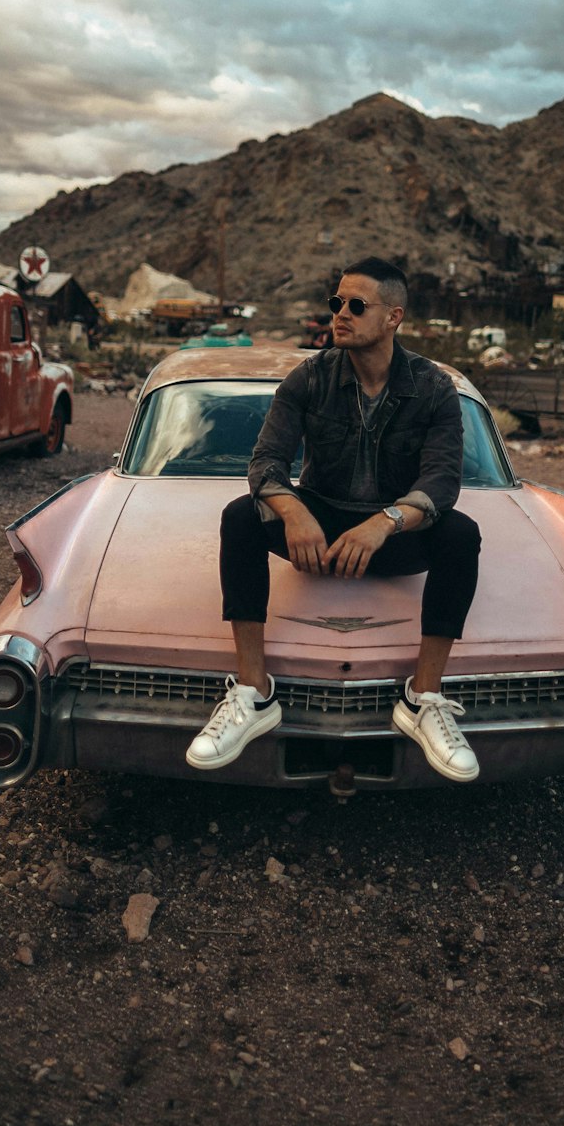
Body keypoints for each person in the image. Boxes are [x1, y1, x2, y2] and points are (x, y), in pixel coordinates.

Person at [186, 256, 482, 782]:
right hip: (320, 523)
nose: (340, 314)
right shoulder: (310, 377)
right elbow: (265, 462)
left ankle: (423, 698)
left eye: (357, 305)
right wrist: (294, 510)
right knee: (240, 517)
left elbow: (441, 483)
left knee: (461, 533)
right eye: (336, 302)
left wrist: (385, 521)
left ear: (393, 317)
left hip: (392, 532)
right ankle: (254, 693)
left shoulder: (432, 386)